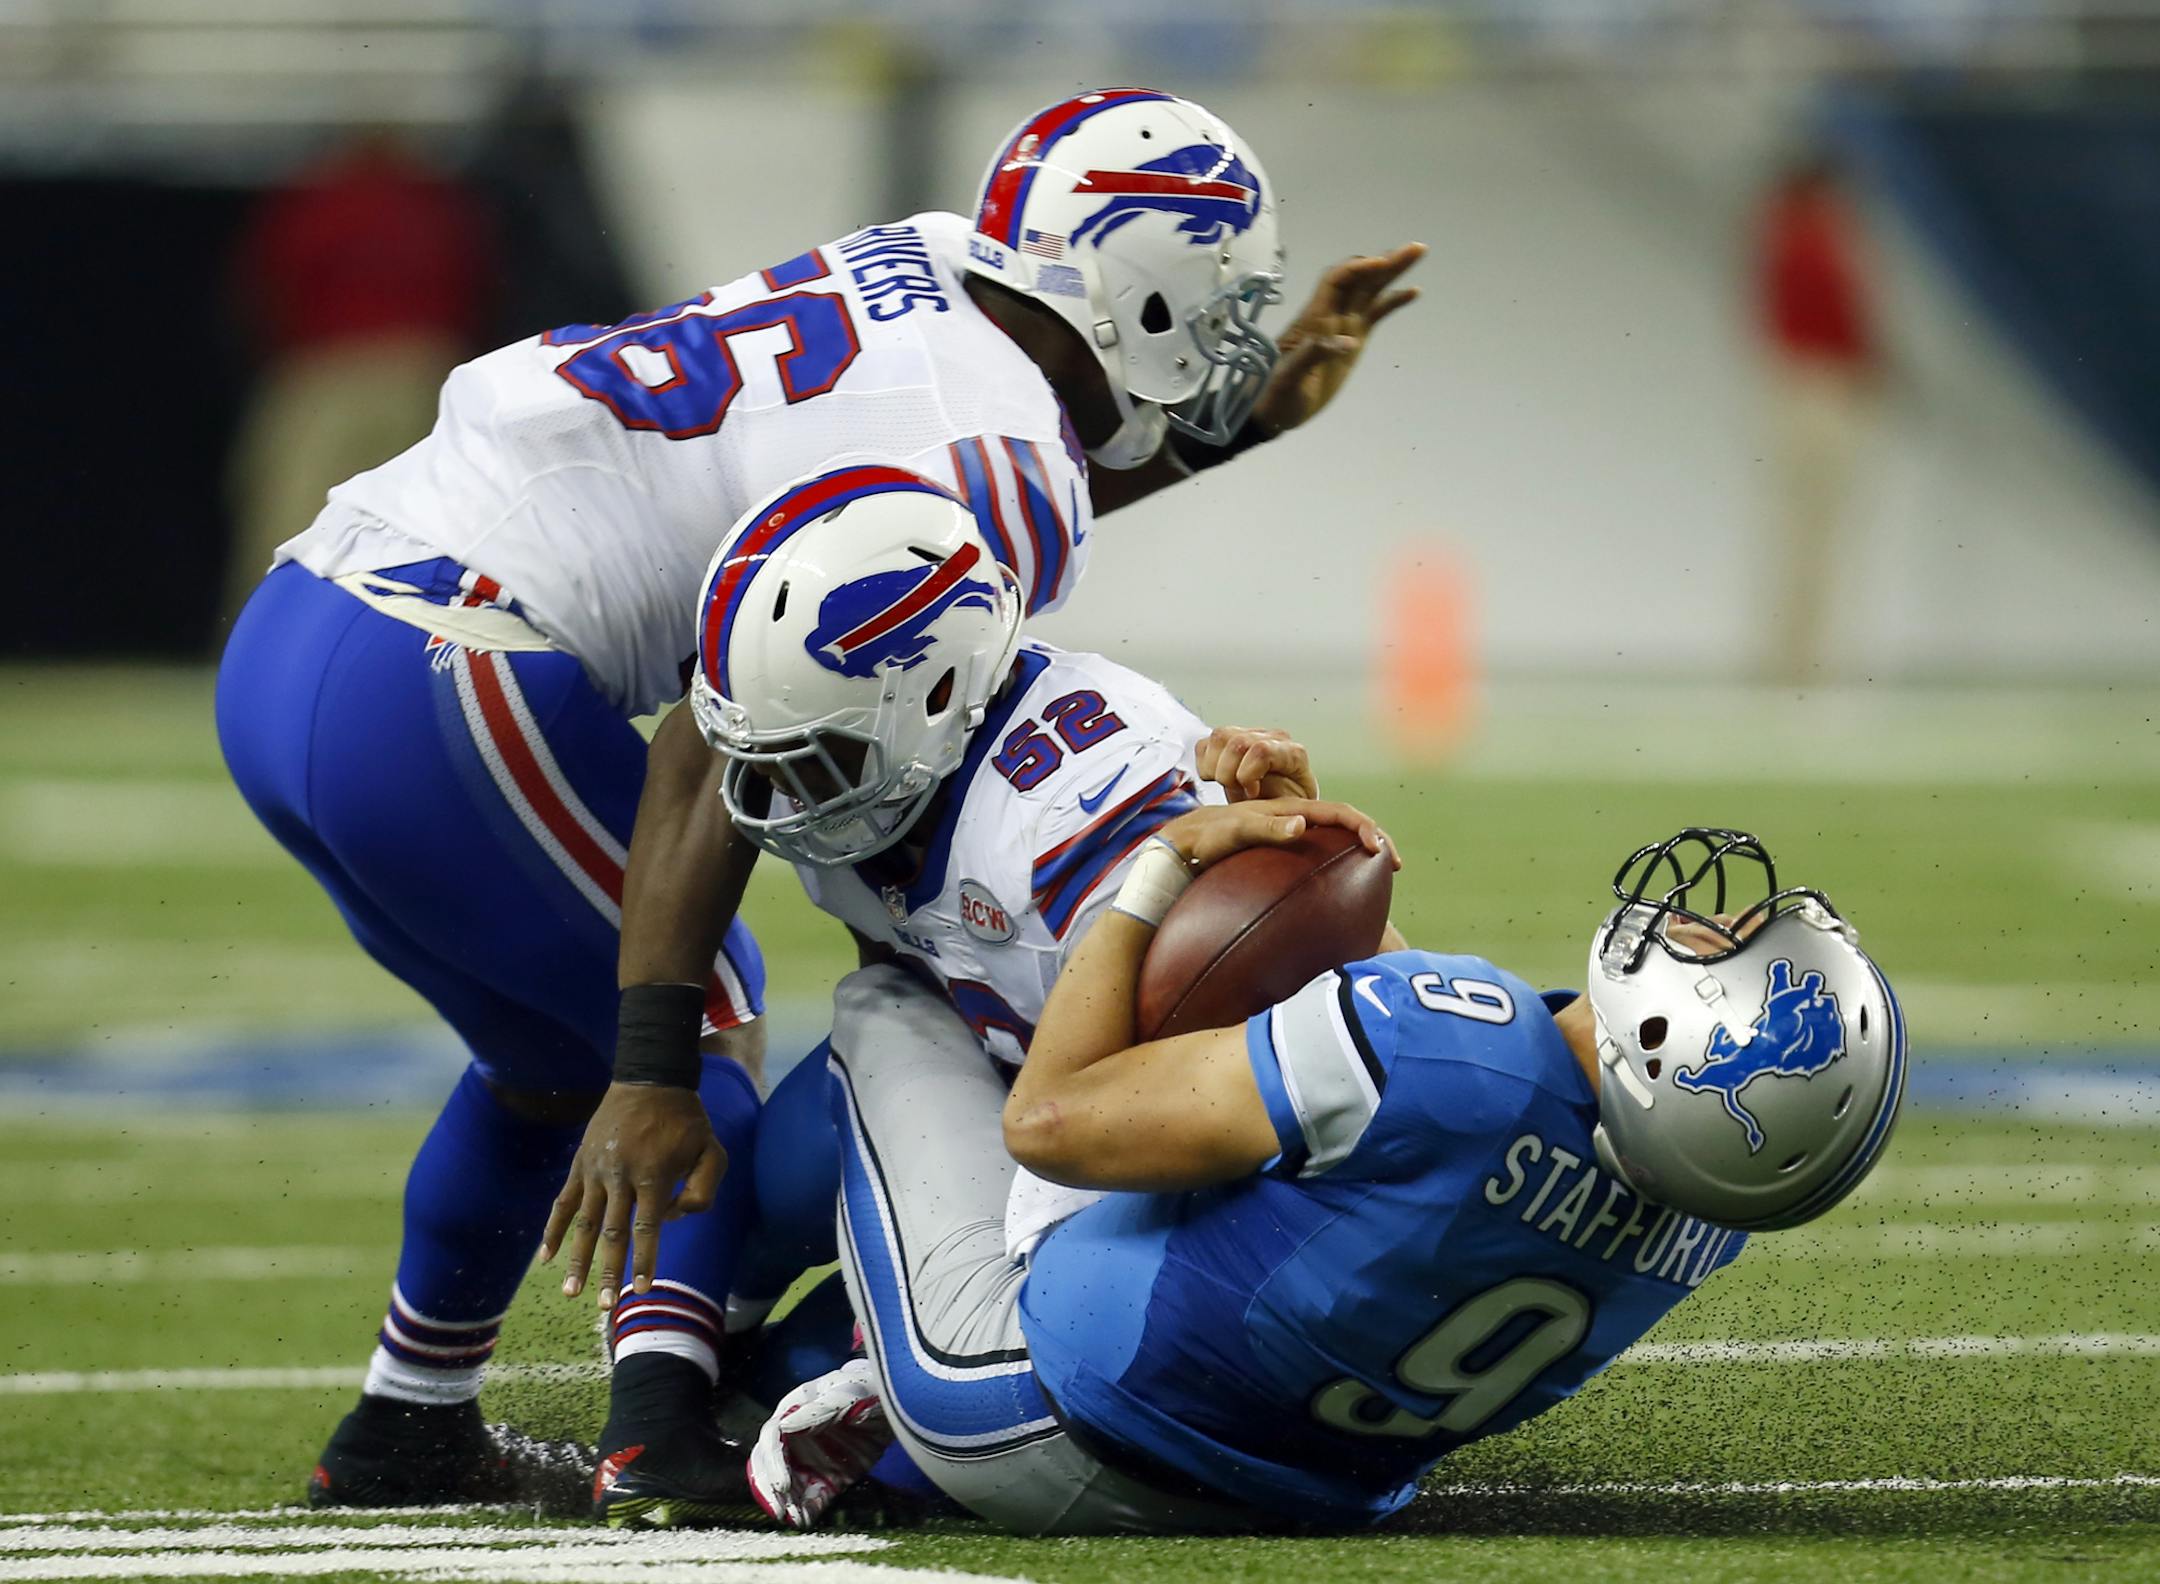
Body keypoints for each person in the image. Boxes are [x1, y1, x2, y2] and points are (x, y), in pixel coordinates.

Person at [215, 85, 1423, 1509]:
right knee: (686, 1017)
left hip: (310, 621)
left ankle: (407, 1427)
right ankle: (658, 1438)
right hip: (452, 670)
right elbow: (720, 735)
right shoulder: (995, 451)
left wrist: (1232, 429)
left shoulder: (938, 262)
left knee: (546, 1061)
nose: (1223, 339)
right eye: (1213, 300)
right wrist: (661, 1059)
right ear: (1136, 286)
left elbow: (949, 490)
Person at [746, 824, 1908, 1533]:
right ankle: (834, 1386)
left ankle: (691, 1333)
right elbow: (1447, 1111)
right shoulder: (1710, 1215)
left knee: (891, 1005)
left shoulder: (1445, 1048)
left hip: (1021, 1399)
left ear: (1685, 1043)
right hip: (1293, 1492)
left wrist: (1164, 871)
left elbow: (1052, 1122)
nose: (1698, 924)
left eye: (1721, 949)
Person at [586, 464, 1337, 1525]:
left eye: (819, 755)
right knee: (826, 1093)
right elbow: (909, 972)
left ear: (940, 691)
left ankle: (804, 1402)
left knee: (880, 1041)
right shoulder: (894, 764)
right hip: (1038, 1109)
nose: (785, 793)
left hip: (1151, 1170)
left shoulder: (1079, 787)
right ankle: (672, 1393)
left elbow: (1199, 1088)